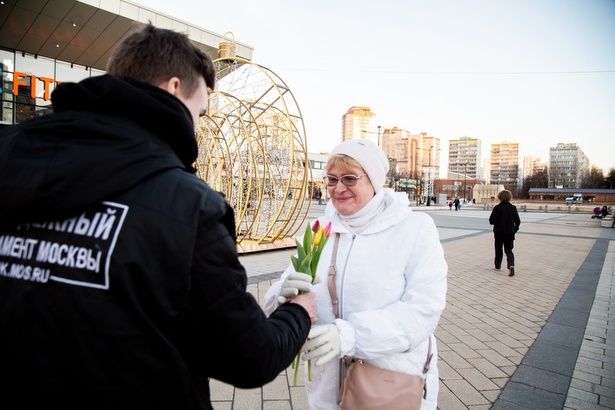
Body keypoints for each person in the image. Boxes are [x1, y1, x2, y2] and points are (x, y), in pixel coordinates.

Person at [0, 24, 316, 410]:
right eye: (201, 112)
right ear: (172, 88)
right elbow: (249, 357)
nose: (199, 126)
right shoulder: (187, 205)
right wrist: (298, 314)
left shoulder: (12, 158)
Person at [263, 139, 448, 409]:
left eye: (349, 178)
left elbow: (423, 310)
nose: (338, 188)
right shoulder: (319, 229)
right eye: (332, 179)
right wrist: (281, 293)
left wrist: (348, 337)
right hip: (326, 389)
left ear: (374, 181)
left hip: (387, 387)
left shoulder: (414, 229)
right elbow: (285, 288)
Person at [489, 189, 521, 277]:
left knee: (498, 250)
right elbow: (518, 221)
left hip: (499, 233)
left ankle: (497, 266)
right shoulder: (513, 208)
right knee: (509, 250)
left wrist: (497, 221)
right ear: (509, 197)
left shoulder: (497, 208)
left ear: (500, 197)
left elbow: (491, 221)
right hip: (510, 233)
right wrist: (514, 230)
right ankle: (511, 265)